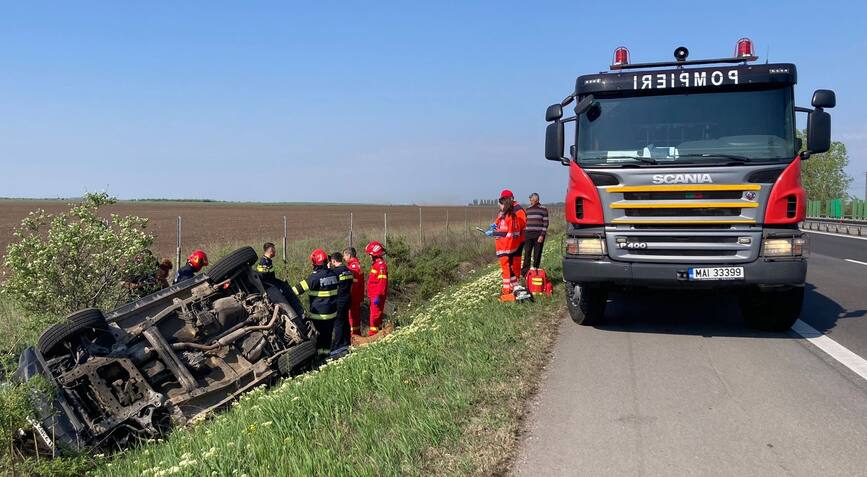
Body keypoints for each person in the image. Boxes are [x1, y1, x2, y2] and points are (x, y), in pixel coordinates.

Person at [292, 249, 339, 358]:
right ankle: (326, 356)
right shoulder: (333, 274)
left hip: (319, 315)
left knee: (318, 336)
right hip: (332, 313)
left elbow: (297, 290)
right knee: (327, 336)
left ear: (314, 263)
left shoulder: (314, 277)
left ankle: (318, 358)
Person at [486, 189, 527, 297]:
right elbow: (502, 222)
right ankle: (514, 285)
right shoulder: (507, 211)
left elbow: (516, 226)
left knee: (512, 265)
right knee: (510, 266)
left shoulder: (517, 210)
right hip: (510, 243)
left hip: (514, 242)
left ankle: (511, 287)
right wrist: (496, 225)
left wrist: (496, 231)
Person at [329, 252, 354, 350]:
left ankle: (338, 344)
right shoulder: (347, 270)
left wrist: (328, 269)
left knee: (338, 322)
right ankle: (346, 341)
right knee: (345, 321)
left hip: (339, 299)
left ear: (333, 261)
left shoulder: (335, 271)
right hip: (347, 298)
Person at [522, 193, 549, 277]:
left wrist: (542, 235)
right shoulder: (528, 209)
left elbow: (546, 223)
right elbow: (525, 222)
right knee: (527, 253)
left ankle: (536, 270)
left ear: (536, 200)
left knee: (537, 254)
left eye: (531, 200)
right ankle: (525, 273)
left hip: (538, 235)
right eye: (530, 200)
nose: (530, 201)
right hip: (528, 234)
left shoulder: (543, 209)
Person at [365, 241, 388, 336]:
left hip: (376, 296)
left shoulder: (381, 265)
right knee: (373, 316)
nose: (369, 256)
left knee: (375, 317)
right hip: (373, 295)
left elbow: (382, 283)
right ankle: (374, 334)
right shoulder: (376, 264)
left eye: (370, 254)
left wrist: (378, 296)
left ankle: (373, 336)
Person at [343, 247, 365, 336]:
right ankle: (356, 334)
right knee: (355, 317)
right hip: (357, 296)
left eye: (344, 255)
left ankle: (354, 336)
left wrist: (349, 296)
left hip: (353, 296)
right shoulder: (357, 264)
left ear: (349, 255)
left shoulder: (353, 267)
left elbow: (354, 284)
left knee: (352, 317)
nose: (344, 258)